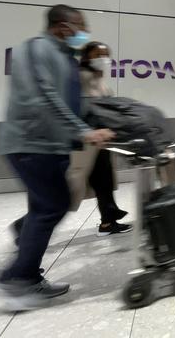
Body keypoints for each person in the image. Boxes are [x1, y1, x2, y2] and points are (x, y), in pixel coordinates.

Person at [0, 4, 114, 312]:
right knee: (53, 205)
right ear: (62, 26)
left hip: (50, 145)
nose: (84, 32)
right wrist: (83, 131)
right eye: (80, 26)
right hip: (30, 143)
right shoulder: (35, 49)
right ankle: (19, 277)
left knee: (46, 206)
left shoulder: (63, 56)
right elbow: (44, 97)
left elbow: (71, 102)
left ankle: (19, 272)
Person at [69, 41, 131, 236]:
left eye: (106, 55)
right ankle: (26, 226)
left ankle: (108, 221)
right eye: (99, 55)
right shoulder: (80, 77)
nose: (104, 59)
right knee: (66, 191)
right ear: (87, 57)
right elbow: (84, 109)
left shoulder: (97, 78)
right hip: (86, 141)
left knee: (104, 180)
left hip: (99, 140)